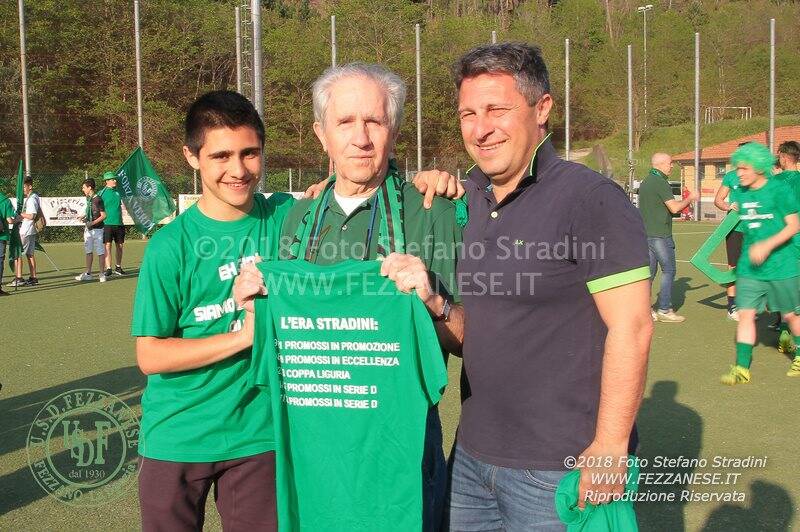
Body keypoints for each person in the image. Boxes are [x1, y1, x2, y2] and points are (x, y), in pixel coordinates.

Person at [234, 62, 464, 531]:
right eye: (344, 122)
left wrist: (431, 301)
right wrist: (252, 302)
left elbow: (466, 339)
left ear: (394, 131)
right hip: (315, 450)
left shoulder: (431, 211)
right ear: (321, 134)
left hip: (399, 449)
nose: (360, 138)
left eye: (374, 121)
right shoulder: (296, 220)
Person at [438, 42, 652, 530]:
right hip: (471, 458)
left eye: (497, 109)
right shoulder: (465, 197)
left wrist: (611, 446)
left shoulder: (591, 199)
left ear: (543, 108)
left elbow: (633, 327)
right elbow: (481, 327)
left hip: (560, 466)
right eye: (468, 113)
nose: (480, 127)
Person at [131, 91, 297, 531]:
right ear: (192, 157)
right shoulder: (171, 246)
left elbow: (355, 194)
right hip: (178, 435)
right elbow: (150, 354)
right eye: (221, 155)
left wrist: (425, 179)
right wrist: (243, 337)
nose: (238, 170)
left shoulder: (285, 216)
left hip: (259, 436)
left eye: (250, 153)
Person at [718, 142, 800, 385]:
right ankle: (742, 368)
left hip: (782, 266)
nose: (738, 174)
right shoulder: (741, 193)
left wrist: (767, 245)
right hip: (750, 268)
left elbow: (794, 225)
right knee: (746, 315)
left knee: (792, 316)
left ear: (759, 168)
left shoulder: (779, 190)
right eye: (737, 168)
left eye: (743, 169)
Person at [638, 152, 698, 322]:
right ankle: (664, 308)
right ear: (661, 164)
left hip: (646, 235)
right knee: (669, 270)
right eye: (670, 163)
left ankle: (645, 310)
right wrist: (690, 199)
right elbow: (674, 208)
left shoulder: (646, 181)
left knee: (649, 274)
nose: (672, 166)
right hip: (660, 235)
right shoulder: (660, 182)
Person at [714, 145, 751, 321]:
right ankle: (732, 307)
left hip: (755, 229)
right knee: (733, 268)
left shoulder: (759, 176)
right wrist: (729, 206)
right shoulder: (730, 176)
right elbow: (718, 200)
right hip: (734, 228)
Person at [8, 177, 40, 287]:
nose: (23, 190)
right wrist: (16, 219)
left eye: (24, 187)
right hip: (29, 230)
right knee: (30, 254)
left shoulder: (31, 199)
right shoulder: (33, 197)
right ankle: (33, 277)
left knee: (18, 254)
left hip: (26, 230)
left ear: (30, 186)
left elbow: (31, 216)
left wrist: (19, 214)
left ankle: (19, 277)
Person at [74, 178, 107, 282]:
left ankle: (102, 274)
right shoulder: (88, 199)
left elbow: (103, 215)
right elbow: (90, 211)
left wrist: (92, 223)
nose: (82, 189)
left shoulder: (98, 199)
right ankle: (88, 273)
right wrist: (83, 217)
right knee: (88, 251)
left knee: (100, 252)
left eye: (84, 187)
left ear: (90, 187)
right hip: (88, 230)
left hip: (98, 230)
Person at [98, 171, 127, 277]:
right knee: (107, 246)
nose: (115, 181)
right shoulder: (102, 193)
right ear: (107, 181)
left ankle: (118, 267)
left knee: (120, 245)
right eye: (112, 179)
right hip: (107, 224)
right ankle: (108, 268)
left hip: (119, 223)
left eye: (115, 179)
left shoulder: (118, 192)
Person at [0, 189, 15, 295]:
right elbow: (10, 220)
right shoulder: (5, 201)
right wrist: (18, 219)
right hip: (2, 235)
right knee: (0, 260)